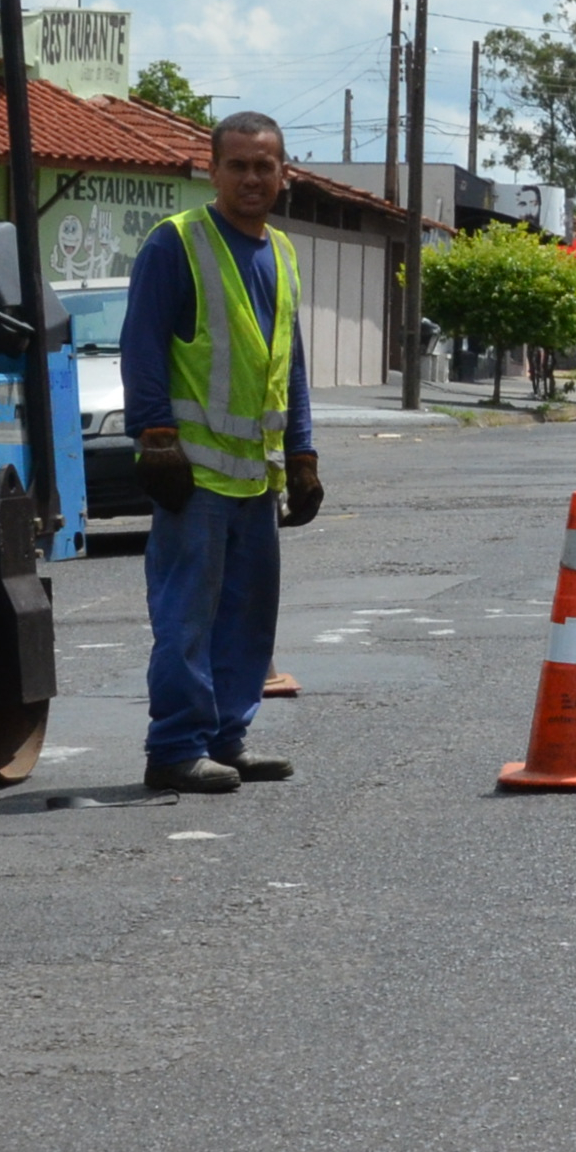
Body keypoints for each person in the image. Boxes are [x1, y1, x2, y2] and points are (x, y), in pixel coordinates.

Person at [125, 110, 324, 793]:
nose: (251, 177)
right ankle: (175, 748)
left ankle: (225, 739)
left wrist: (302, 455)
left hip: (255, 480)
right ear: (211, 171)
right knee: (186, 619)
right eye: (236, 165)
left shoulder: (283, 253)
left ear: (284, 174)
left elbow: (289, 364)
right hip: (196, 477)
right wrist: (156, 438)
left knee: (247, 619)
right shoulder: (176, 243)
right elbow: (142, 346)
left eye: (264, 165)